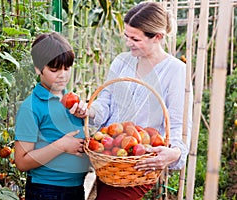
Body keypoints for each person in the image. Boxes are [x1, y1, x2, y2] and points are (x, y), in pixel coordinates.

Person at [73, 1, 193, 199]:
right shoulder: (121, 62)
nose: (128, 43)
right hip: (107, 154)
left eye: (135, 39)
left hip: (139, 163)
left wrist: (176, 153)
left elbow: (179, 124)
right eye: (126, 36)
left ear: (157, 37)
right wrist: (89, 110)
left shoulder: (175, 71)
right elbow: (106, 102)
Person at [14, 32, 90, 200]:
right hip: (47, 190)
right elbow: (21, 161)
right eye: (54, 70)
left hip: (76, 188)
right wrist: (61, 146)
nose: (62, 75)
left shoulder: (70, 100)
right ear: (37, 68)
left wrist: (85, 116)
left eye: (67, 68)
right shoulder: (31, 107)